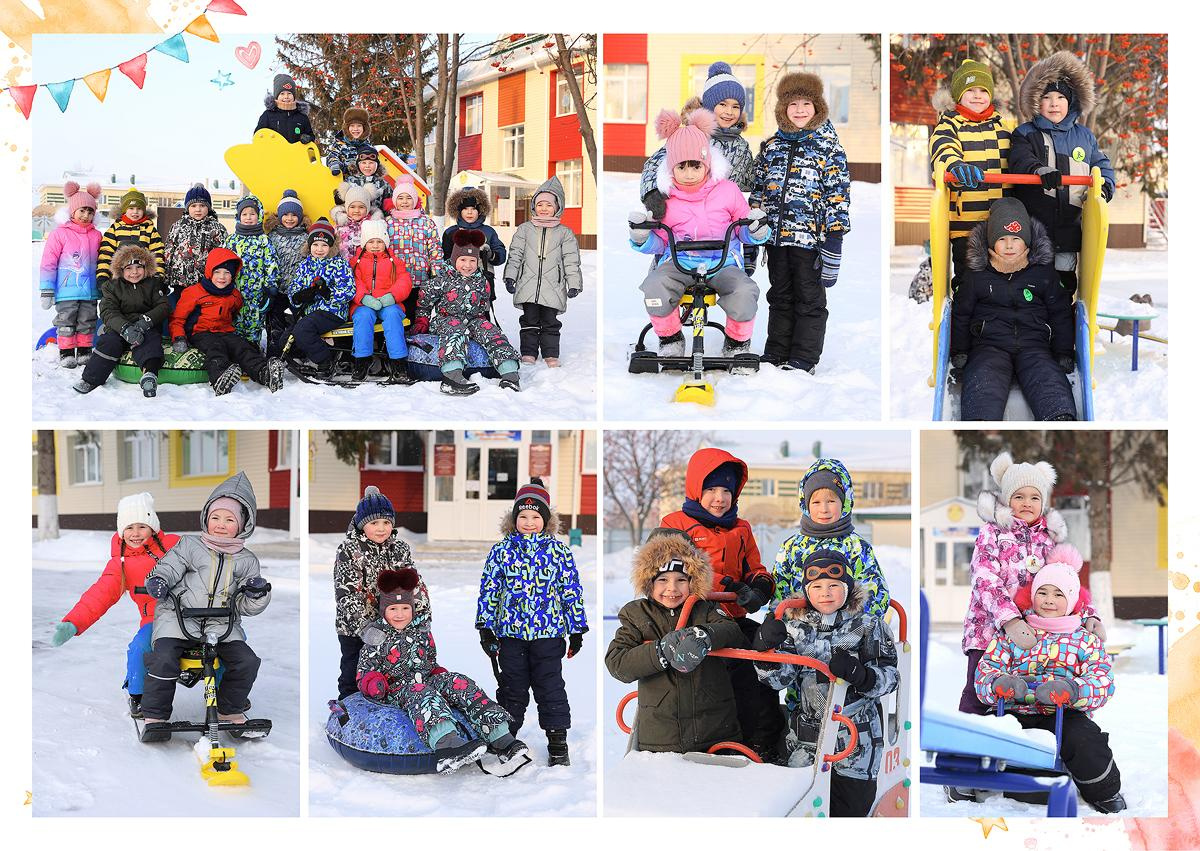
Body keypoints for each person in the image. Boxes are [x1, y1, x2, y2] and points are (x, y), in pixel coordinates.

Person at [974, 543, 1125, 813]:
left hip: (1063, 711)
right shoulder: (1015, 632)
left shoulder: (1083, 638)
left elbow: (1102, 678)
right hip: (1013, 708)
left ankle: (1103, 790)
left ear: (1072, 599)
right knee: (979, 732)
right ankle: (966, 781)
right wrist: (999, 684)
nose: (1048, 600)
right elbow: (987, 667)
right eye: (1042, 592)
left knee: (1084, 739)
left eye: (1058, 594)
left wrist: (1074, 690)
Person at [753, 550, 899, 817]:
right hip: (807, 742)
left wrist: (862, 675)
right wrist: (765, 654)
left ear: (848, 589)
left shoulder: (868, 626)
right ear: (807, 591)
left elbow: (890, 678)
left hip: (856, 743)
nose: (826, 593)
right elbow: (779, 680)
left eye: (834, 586)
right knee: (804, 811)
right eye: (817, 587)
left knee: (848, 812)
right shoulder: (795, 627)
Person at [659, 448, 783, 761]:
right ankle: (712, 741)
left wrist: (755, 590)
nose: (719, 498)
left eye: (726, 491)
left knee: (763, 654)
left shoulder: (741, 529)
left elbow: (757, 570)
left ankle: (762, 741)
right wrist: (712, 589)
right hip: (693, 619)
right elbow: (663, 576)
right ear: (696, 489)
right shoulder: (675, 524)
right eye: (711, 489)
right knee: (720, 672)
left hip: (733, 620)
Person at [958, 451, 1103, 715]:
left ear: (1043, 502)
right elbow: (985, 579)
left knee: (1020, 695)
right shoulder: (992, 532)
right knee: (980, 693)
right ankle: (968, 750)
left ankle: (1026, 739)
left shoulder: (1048, 539)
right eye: (1019, 496)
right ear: (1006, 499)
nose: (1027, 503)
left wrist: (1089, 615)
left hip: (1032, 633)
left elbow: (1065, 583)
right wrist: (1010, 620)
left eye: (1034, 497)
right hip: (988, 630)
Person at [139, 472, 271, 739]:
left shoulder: (246, 560)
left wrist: (256, 594)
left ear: (243, 524)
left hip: (221, 624)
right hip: (179, 620)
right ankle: (155, 715)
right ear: (206, 518)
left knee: (246, 661)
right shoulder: (188, 546)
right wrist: (159, 580)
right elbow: (167, 567)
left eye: (229, 519)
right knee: (164, 658)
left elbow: (246, 606)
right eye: (215, 517)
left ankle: (229, 710)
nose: (221, 525)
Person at [630, 107, 768, 361]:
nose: (690, 174)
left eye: (696, 166)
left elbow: (743, 229)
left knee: (744, 291)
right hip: (679, 263)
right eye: (682, 167)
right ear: (672, 169)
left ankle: (737, 343)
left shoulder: (728, 191)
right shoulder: (666, 199)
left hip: (721, 263)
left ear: (708, 164)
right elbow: (660, 241)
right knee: (655, 286)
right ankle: (670, 338)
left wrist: (755, 230)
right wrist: (642, 237)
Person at [359, 568, 529, 773]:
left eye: (405, 608)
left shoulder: (421, 632)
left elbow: (429, 661)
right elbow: (364, 671)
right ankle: (447, 743)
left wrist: (441, 675)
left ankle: (499, 735)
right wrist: (374, 682)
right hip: (398, 689)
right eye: (393, 609)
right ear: (383, 609)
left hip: (426, 679)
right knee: (422, 693)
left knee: (459, 682)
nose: (400, 614)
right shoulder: (376, 636)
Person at [476, 478, 588, 766]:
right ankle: (504, 736)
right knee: (512, 687)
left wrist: (576, 629)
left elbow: (570, 591)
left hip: (548, 634)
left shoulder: (558, 551)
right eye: (522, 516)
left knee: (550, 686)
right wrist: (486, 628)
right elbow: (490, 590)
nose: (528, 522)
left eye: (535, 516)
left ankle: (557, 741)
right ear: (514, 519)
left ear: (546, 520)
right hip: (510, 634)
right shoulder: (501, 551)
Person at [605, 527, 745, 753]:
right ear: (648, 581)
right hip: (661, 739)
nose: (672, 588)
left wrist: (704, 635)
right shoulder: (637, 615)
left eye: (681, 579)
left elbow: (732, 631)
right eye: (662, 580)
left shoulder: (704, 609)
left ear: (694, 580)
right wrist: (661, 651)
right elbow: (617, 663)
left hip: (715, 732)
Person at [750, 71, 851, 372]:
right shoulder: (771, 148)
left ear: (818, 107)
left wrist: (834, 239)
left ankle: (804, 357)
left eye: (807, 103)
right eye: (793, 104)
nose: (800, 110)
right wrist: (753, 229)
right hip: (776, 239)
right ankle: (776, 351)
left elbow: (838, 196)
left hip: (810, 240)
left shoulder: (829, 148)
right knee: (779, 295)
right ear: (783, 108)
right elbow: (757, 192)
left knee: (809, 297)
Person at [48, 493, 179, 719]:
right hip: (155, 621)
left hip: (191, 615)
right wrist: (73, 622)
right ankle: (138, 696)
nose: (135, 533)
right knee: (139, 649)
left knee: (221, 648)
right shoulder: (121, 563)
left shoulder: (176, 546)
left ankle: (228, 698)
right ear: (121, 530)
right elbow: (101, 593)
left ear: (154, 527)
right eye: (129, 527)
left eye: (142, 526)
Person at [949, 197, 1077, 421]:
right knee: (984, 377)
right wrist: (960, 351)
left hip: (1035, 345)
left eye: (1016, 238)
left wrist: (1063, 351)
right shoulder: (977, 274)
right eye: (1002, 238)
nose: (1009, 245)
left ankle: (1059, 417)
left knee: (1046, 375)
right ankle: (980, 422)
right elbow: (962, 313)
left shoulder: (1042, 273)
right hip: (989, 346)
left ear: (1027, 240)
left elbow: (1060, 313)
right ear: (991, 241)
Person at [1009, 50, 1115, 297]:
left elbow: (1101, 164)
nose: (1054, 103)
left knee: (1064, 281)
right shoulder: (1025, 133)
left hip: (1070, 225)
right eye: (1047, 97)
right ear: (1037, 102)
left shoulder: (1084, 136)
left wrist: (1105, 185)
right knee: (1035, 283)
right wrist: (1039, 170)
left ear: (1071, 102)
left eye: (1060, 97)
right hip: (1036, 225)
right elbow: (1020, 159)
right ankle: (1035, 326)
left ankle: (1063, 326)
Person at [639, 62, 757, 272]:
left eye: (735, 106)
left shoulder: (741, 146)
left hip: (722, 227)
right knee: (669, 278)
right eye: (722, 104)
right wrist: (652, 194)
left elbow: (750, 184)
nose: (729, 112)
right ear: (709, 106)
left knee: (735, 283)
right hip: (683, 224)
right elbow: (654, 164)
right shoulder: (690, 135)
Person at [928, 59, 1015, 294]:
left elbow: (1018, 158)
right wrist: (955, 166)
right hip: (966, 225)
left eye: (983, 91)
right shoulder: (949, 126)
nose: (977, 96)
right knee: (970, 281)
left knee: (1002, 283)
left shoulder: (1002, 128)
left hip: (1001, 224)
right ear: (958, 94)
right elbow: (943, 150)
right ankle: (965, 323)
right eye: (970, 90)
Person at [333, 486, 422, 701]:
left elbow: (413, 584)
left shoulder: (399, 548)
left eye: (386, 522)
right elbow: (347, 594)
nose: (381, 528)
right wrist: (365, 628)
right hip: (355, 628)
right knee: (354, 670)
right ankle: (349, 706)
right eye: (374, 523)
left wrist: (421, 615)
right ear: (363, 524)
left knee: (387, 671)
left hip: (394, 622)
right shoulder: (350, 550)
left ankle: (381, 708)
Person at [413, 230, 521, 395]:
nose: (468, 265)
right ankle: (452, 375)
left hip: (473, 319)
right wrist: (422, 321)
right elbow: (424, 303)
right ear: (454, 259)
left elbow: (483, 304)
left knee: (491, 331)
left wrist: (483, 325)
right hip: (446, 319)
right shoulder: (441, 280)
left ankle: (509, 373)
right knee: (456, 330)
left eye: (472, 260)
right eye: (463, 260)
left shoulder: (482, 280)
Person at [169, 247, 285, 395]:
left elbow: (235, 311)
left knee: (242, 347)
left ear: (233, 275)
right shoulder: (194, 292)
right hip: (200, 332)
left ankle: (263, 372)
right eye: (217, 272)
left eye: (227, 273)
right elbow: (177, 318)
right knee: (216, 348)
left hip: (225, 331)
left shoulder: (234, 295)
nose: (222, 277)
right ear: (210, 272)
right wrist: (179, 337)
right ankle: (219, 377)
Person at [503, 176, 583, 367]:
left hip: (553, 285)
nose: (544, 208)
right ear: (534, 206)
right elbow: (515, 254)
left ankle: (550, 354)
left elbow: (571, 260)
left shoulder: (565, 233)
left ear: (557, 207)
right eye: (540, 204)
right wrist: (510, 276)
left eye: (549, 204)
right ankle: (529, 353)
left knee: (550, 322)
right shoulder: (524, 230)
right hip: (528, 284)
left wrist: (573, 283)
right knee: (529, 320)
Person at [73, 244, 168, 397]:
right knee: (109, 343)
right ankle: (90, 379)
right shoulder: (112, 286)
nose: (134, 272)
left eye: (139, 267)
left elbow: (163, 306)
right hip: (120, 328)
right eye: (129, 268)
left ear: (146, 268)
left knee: (150, 342)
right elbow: (107, 311)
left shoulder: (153, 284)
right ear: (121, 270)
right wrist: (124, 328)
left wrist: (146, 322)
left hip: (145, 326)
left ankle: (149, 375)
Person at [40, 180, 101, 367]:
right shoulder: (60, 234)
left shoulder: (97, 235)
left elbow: (102, 262)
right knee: (66, 320)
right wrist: (47, 290)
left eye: (90, 211)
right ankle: (66, 353)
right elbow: (48, 262)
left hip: (89, 291)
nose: (86, 215)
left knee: (87, 321)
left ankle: (84, 352)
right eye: (82, 210)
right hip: (66, 289)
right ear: (72, 211)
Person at [285, 218, 354, 378]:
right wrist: (299, 296)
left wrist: (329, 294)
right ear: (309, 246)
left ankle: (325, 361)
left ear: (331, 246)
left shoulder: (339, 264)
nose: (319, 249)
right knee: (285, 340)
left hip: (332, 311)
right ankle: (307, 356)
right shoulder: (305, 265)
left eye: (324, 245)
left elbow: (349, 290)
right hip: (309, 313)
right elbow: (293, 288)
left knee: (303, 330)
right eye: (315, 245)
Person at [348, 219, 414, 383]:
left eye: (379, 241)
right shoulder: (355, 263)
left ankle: (398, 362)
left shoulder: (395, 262)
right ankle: (362, 360)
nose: (375, 245)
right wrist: (364, 297)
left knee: (393, 317)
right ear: (364, 243)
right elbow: (353, 282)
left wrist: (392, 296)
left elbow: (404, 281)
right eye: (371, 241)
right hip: (364, 303)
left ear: (385, 242)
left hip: (389, 302)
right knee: (363, 317)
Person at [225, 195, 280, 348]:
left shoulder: (264, 240)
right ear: (238, 216)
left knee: (254, 323)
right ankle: (235, 351)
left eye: (252, 214)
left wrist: (271, 287)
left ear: (259, 215)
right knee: (234, 322)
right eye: (244, 214)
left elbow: (271, 264)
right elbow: (223, 263)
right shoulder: (231, 240)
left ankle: (253, 350)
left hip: (257, 293)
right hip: (234, 291)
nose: (248, 218)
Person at [385, 178, 442, 319]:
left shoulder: (426, 222)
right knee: (398, 314)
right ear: (394, 201)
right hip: (395, 279)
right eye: (400, 198)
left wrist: (436, 272)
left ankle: (418, 338)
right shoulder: (388, 223)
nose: (404, 202)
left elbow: (435, 248)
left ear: (415, 200)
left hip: (420, 277)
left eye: (409, 198)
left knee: (417, 314)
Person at [264, 190, 310, 357]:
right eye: (286, 214)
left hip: (296, 291)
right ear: (280, 216)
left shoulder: (306, 236)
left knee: (295, 323)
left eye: (293, 215)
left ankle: (295, 353)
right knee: (276, 323)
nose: (289, 218)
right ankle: (274, 354)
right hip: (277, 290)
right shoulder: (272, 237)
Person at [163, 182, 227, 297]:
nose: (198, 209)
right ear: (187, 208)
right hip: (180, 281)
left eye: (202, 206)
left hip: (205, 282)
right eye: (193, 206)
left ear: (208, 207)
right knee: (180, 311)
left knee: (200, 313)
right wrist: (165, 279)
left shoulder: (217, 228)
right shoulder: (177, 226)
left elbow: (222, 256)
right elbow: (169, 252)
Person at [97, 187, 164, 286]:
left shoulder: (149, 229)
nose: (135, 212)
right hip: (119, 280)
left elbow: (157, 254)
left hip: (143, 279)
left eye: (139, 208)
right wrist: (103, 275)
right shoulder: (115, 228)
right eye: (131, 208)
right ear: (124, 210)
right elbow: (106, 253)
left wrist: (158, 276)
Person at [441, 186, 506, 287]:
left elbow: (501, 255)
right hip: (455, 284)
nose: (469, 212)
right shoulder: (450, 232)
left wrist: (491, 254)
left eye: (473, 209)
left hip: (484, 282)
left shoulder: (488, 231)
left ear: (480, 211)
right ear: (458, 211)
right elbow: (444, 258)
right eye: (465, 209)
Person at [254, 73, 314, 143]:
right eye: (282, 94)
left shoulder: (302, 117)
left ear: (294, 96)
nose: (286, 97)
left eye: (289, 93)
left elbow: (311, 136)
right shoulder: (268, 115)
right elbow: (258, 135)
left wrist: (308, 138)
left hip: (295, 153)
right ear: (277, 96)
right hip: (274, 152)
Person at [325, 106, 373, 177]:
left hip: (364, 181)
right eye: (352, 126)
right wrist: (335, 164)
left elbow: (373, 161)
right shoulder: (340, 143)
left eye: (359, 126)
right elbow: (332, 155)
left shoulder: (368, 146)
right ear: (347, 128)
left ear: (364, 128)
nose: (355, 129)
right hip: (345, 181)